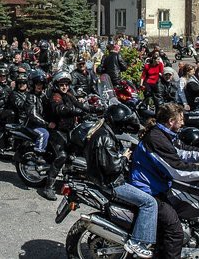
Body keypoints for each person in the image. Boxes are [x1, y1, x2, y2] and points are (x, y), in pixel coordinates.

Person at [133, 103, 199, 258]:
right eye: (181, 119)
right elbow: (178, 170)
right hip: (148, 188)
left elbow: (179, 152)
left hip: (158, 184)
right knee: (175, 231)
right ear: (171, 121)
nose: (183, 122)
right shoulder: (156, 138)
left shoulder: (164, 134)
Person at [86, 103, 155, 258]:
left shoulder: (102, 131)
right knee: (150, 203)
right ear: (116, 121)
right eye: (122, 122)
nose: (124, 126)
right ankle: (138, 242)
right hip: (112, 183)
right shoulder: (105, 138)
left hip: (103, 179)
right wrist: (124, 157)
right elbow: (112, 168)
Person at [44, 70, 90, 201]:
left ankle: (70, 178)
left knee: (77, 149)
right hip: (56, 130)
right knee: (62, 156)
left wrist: (92, 109)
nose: (64, 87)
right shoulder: (55, 96)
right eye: (62, 84)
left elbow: (78, 104)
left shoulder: (69, 94)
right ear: (56, 85)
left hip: (68, 129)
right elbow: (59, 109)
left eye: (66, 84)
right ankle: (48, 187)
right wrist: (75, 111)